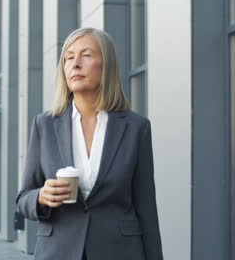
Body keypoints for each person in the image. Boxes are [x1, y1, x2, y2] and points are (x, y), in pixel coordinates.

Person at [16, 28, 163, 260]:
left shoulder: (137, 128)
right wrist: (41, 197)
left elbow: (146, 207)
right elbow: (23, 198)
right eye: (68, 58)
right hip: (58, 252)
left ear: (107, 64)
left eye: (86, 55)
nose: (75, 64)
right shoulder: (43, 125)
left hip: (119, 252)